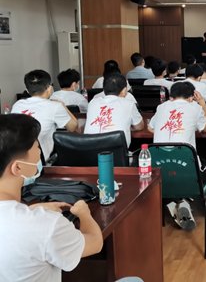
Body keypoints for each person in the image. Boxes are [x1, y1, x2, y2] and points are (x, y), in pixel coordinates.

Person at [0, 114, 103, 281]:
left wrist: (30, 210)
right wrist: (83, 212)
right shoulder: (47, 224)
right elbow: (95, 243)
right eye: (36, 147)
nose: (40, 152)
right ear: (18, 168)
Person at [147, 82, 206, 231]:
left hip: (160, 172)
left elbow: (149, 128)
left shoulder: (162, 107)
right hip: (187, 170)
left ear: (171, 97)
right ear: (192, 97)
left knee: (174, 170)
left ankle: (177, 201)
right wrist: (202, 103)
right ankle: (186, 199)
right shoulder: (195, 108)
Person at [12, 70, 78, 159]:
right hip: (41, 160)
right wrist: (63, 106)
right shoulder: (55, 106)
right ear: (50, 88)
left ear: (27, 90)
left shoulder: (18, 104)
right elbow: (73, 127)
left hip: (15, 157)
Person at [85, 73, 144, 147]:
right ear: (124, 90)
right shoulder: (128, 104)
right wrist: (127, 126)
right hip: (116, 151)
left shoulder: (92, 103)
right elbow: (139, 127)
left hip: (89, 150)